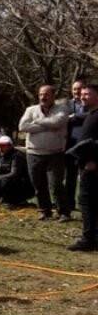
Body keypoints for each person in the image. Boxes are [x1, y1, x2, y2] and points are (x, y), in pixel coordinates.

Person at [19, 84, 72, 221]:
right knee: (38, 184)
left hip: (55, 154)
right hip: (34, 153)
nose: (43, 97)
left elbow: (57, 122)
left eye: (47, 94)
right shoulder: (30, 110)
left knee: (56, 185)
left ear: (53, 96)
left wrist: (36, 122)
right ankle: (44, 210)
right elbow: (22, 126)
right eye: (41, 94)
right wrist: (47, 126)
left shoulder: (62, 109)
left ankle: (64, 212)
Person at [67, 83, 98, 251]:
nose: (82, 96)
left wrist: (95, 161)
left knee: (86, 202)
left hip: (92, 167)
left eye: (87, 94)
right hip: (85, 165)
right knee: (90, 202)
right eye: (82, 94)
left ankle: (88, 240)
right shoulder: (90, 114)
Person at [0, 135, 34, 206]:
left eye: (3, 146)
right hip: (8, 180)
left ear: (10, 146)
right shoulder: (3, 155)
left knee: (5, 181)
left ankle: (16, 200)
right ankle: (0, 197)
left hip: (24, 185)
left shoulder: (17, 156)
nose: (0, 148)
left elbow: (14, 174)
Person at [65, 79, 87, 221]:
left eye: (79, 89)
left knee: (84, 176)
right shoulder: (67, 104)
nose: (77, 92)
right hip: (70, 144)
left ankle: (84, 203)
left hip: (84, 144)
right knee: (70, 177)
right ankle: (69, 204)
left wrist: (75, 117)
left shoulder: (89, 104)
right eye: (74, 89)